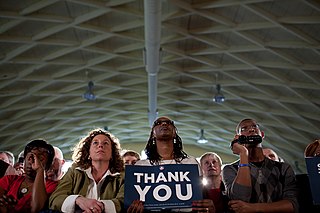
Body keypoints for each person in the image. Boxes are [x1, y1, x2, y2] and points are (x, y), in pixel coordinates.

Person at [127, 116, 215, 213]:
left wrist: (209, 207)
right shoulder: (141, 166)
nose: (164, 124)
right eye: (158, 123)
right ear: (153, 134)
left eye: (168, 123)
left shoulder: (190, 162)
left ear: (174, 132)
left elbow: (202, 196)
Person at [222, 118, 298, 213]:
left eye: (254, 126)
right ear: (238, 138)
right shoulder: (231, 169)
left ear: (262, 135)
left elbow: (292, 205)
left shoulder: (283, 168)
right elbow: (240, 198)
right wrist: (243, 154)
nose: (251, 129)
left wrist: (252, 208)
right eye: (244, 129)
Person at [49, 128, 125, 213]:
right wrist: (79, 200)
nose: (100, 145)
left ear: (112, 153)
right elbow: (55, 198)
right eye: (95, 143)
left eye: (106, 143)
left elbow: (122, 202)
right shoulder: (74, 171)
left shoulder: (122, 176)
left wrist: (100, 207)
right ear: (88, 151)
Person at [0, 139, 57, 213]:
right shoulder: (10, 179)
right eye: (30, 157)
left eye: (40, 158)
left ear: (48, 166)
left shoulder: (52, 186)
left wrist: (40, 170)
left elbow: (36, 208)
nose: (32, 161)